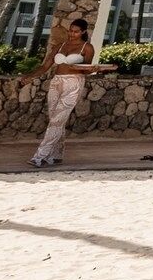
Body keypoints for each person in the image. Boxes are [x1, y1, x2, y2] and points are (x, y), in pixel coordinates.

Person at [31, 17, 112, 168]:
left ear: (82, 32)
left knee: (57, 120)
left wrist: (93, 69)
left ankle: (40, 156)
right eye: (70, 31)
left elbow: (86, 70)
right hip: (56, 82)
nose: (72, 34)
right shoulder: (60, 45)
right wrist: (29, 77)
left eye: (75, 32)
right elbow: (45, 66)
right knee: (55, 118)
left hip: (73, 83)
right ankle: (57, 155)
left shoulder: (87, 48)